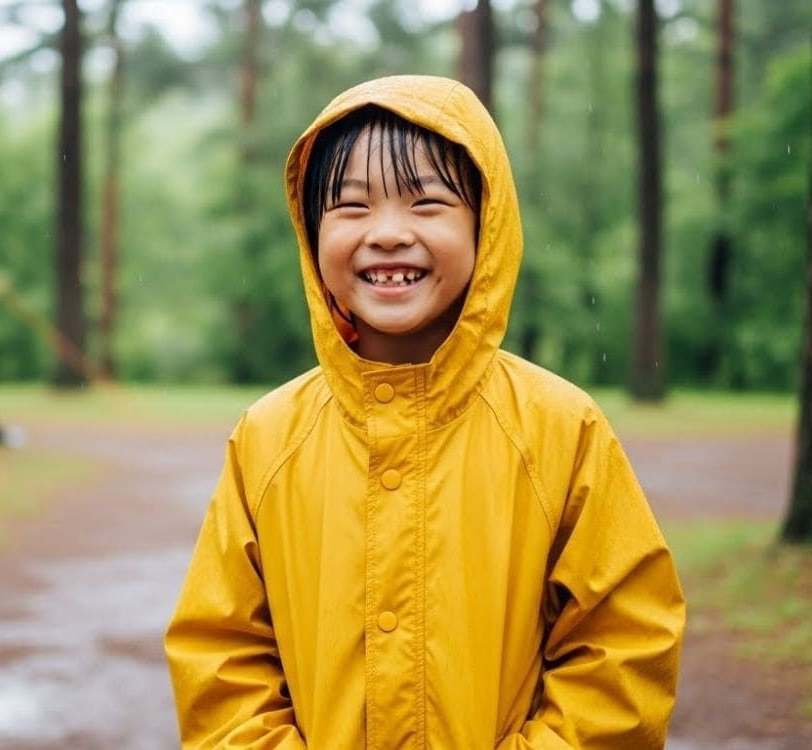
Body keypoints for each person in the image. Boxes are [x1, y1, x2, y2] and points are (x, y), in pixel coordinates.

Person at [165, 75, 685, 749]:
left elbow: (625, 643)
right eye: (350, 206)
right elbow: (221, 653)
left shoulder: (560, 427)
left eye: (427, 203)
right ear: (311, 231)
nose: (387, 234)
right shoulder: (269, 437)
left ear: (485, 225)